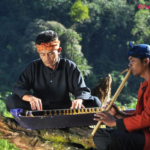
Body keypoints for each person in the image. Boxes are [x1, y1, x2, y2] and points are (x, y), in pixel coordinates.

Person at [5, 30, 101, 112]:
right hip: (38, 110)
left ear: (59, 50)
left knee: (95, 102)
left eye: (51, 53)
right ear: (38, 52)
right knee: (11, 100)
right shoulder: (33, 66)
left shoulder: (69, 66)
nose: (47, 58)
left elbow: (82, 90)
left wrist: (79, 100)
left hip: (65, 109)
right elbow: (18, 88)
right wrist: (30, 98)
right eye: (42, 54)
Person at [93, 42, 150, 150]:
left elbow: (147, 119)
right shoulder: (145, 85)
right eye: (129, 61)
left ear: (145, 61)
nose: (129, 65)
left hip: (147, 136)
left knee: (116, 139)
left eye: (133, 60)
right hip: (142, 132)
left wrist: (115, 122)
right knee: (101, 135)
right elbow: (139, 116)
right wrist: (118, 114)